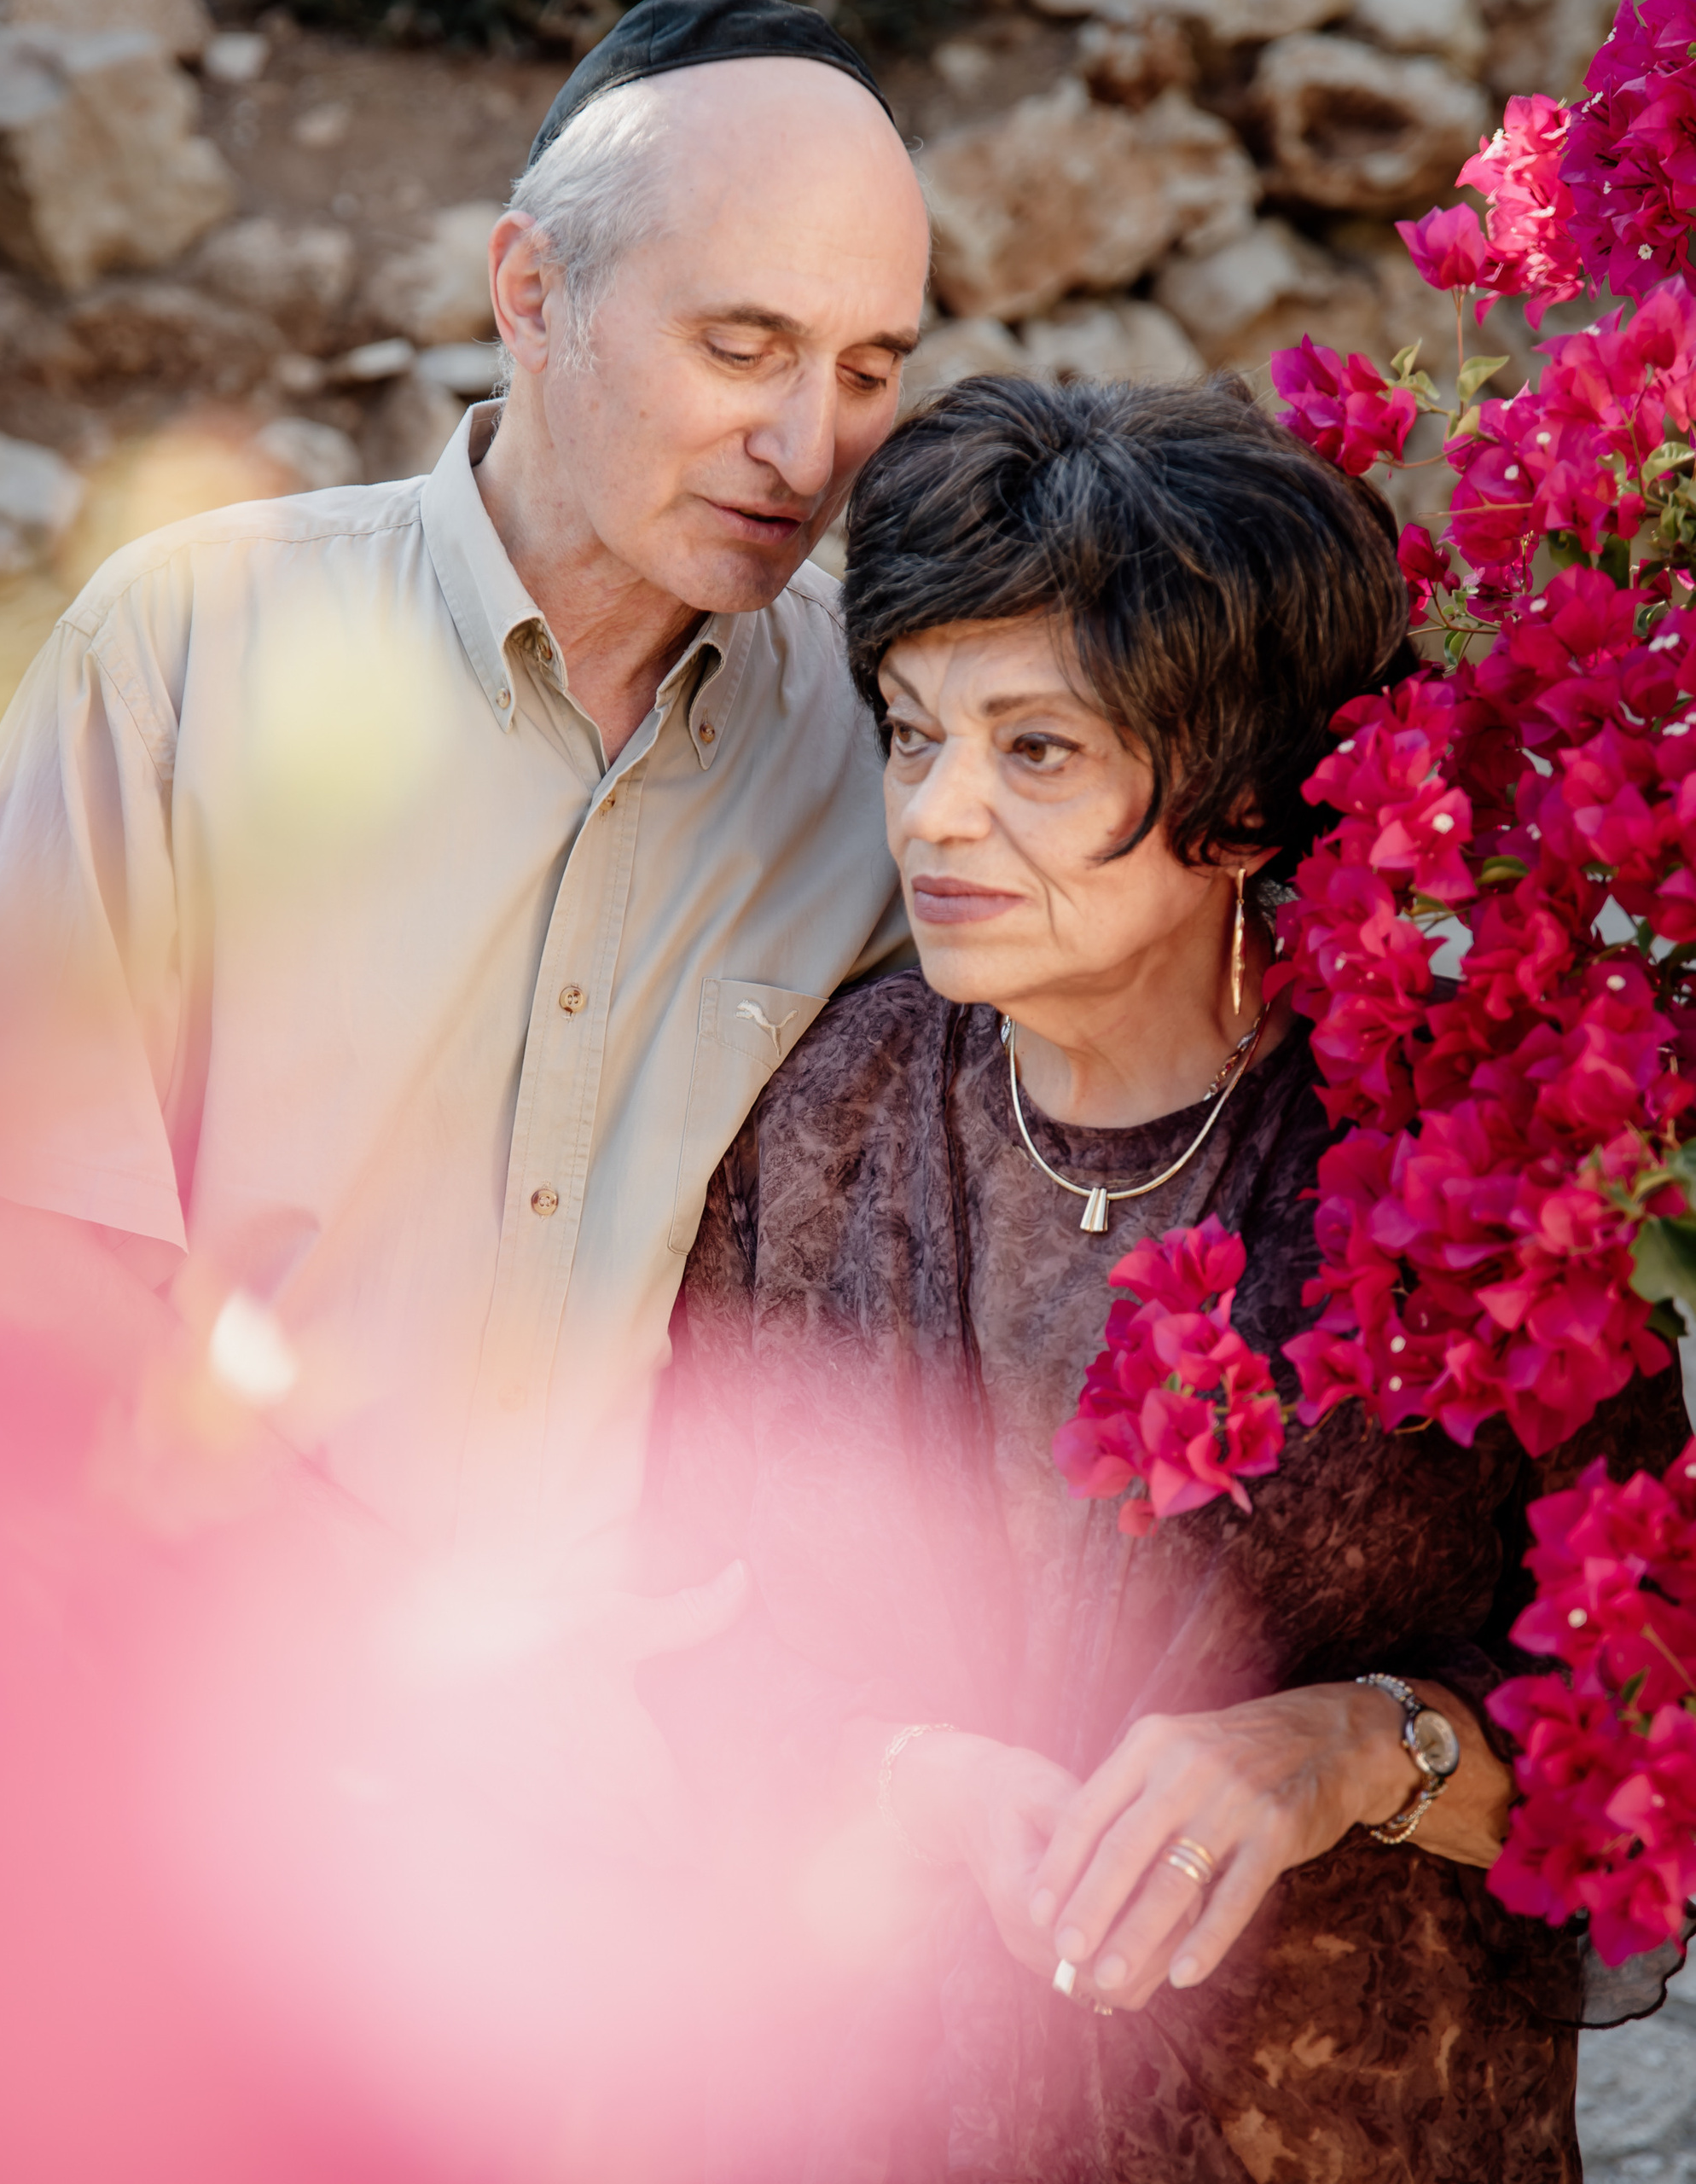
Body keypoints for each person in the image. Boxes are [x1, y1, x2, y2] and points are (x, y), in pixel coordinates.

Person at [648, 375, 1690, 2181]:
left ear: (1227, 805)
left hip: (1356, 2124)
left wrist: (1348, 1749)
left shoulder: (1470, 1165)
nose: (936, 814)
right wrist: (909, 1774)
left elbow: (1639, 1740)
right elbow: (686, 1643)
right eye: (911, 735)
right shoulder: (822, 1117)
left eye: (1032, 749)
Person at [0, 0, 927, 1593]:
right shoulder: (186, 647)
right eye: (742, 348)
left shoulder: (883, 744)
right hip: (183, 1702)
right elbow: (4, 1248)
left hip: (634, 1777)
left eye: (868, 368)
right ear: (533, 294)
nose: (806, 442)